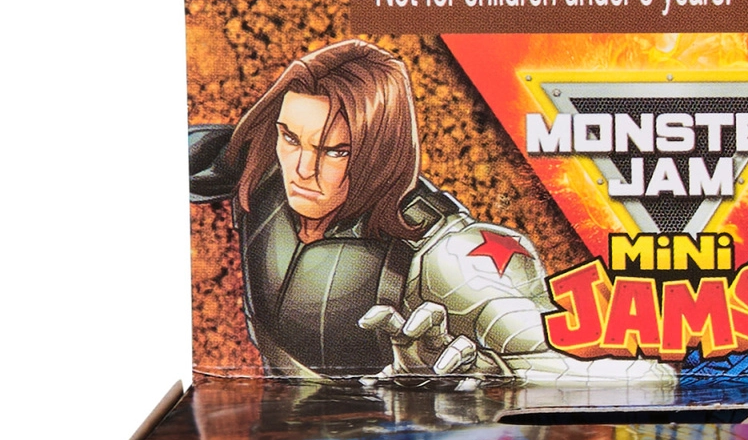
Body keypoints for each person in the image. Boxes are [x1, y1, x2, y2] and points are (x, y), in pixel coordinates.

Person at [191, 39, 671, 395]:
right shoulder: (261, 168)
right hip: (282, 436)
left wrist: (492, 378)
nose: (302, 169)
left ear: (379, 152)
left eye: (335, 150)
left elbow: (637, 380)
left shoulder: (443, 252)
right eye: (291, 137)